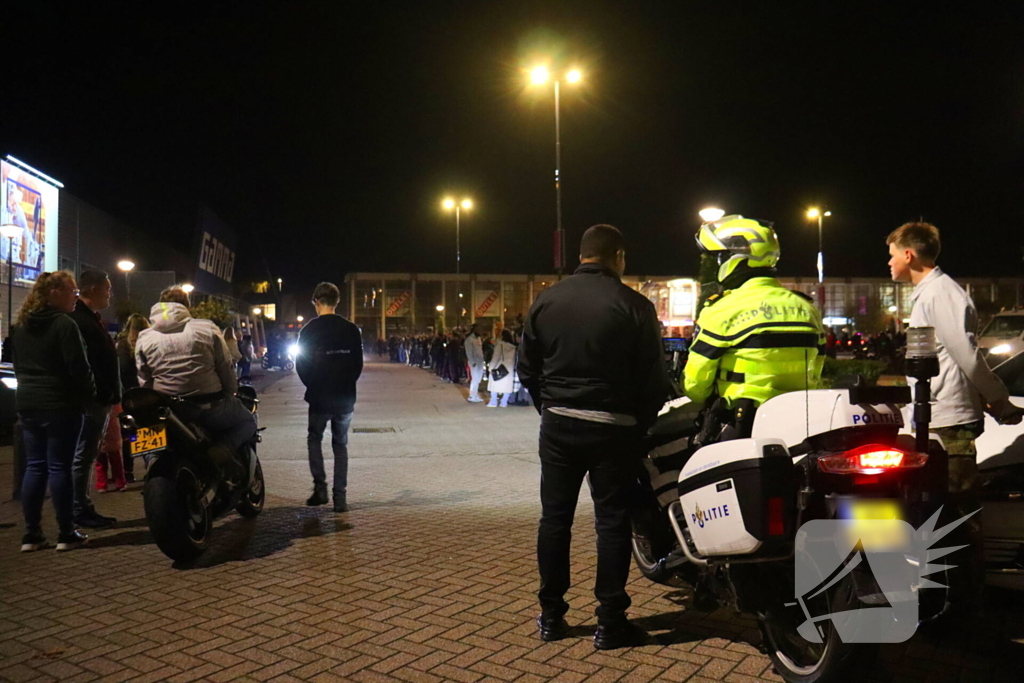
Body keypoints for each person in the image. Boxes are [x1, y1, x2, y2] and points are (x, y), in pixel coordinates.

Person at [519, 224, 670, 650]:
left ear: (581, 256)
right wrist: (637, 422)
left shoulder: (546, 300)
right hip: (614, 428)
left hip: (560, 426)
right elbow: (654, 380)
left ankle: (551, 616)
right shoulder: (634, 306)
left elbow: (527, 368)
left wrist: (549, 407)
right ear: (617, 256)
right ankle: (610, 622)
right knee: (612, 523)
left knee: (555, 520)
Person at [886, 221, 1023, 613]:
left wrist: (998, 399)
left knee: (959, 514)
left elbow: (966, 355)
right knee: (935, 510)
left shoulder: (942, 293)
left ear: (909, 254)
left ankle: (964, 605)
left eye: (893, 253)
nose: (889, 261)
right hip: (935, 416)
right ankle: (941, 598)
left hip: (949, 419)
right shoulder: (927, 294)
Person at [684, 215, 825, 421]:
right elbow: (817, 370)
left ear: (734, 258)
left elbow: (695, 388)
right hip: (801, 421)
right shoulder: (807, 309)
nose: (714, 264)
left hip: (743, 423)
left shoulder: (722, 310)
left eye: (717, 257)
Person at [13, 271, 95, 551]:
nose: (75, 295)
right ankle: (66, 532)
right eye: (71, 291)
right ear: (53, 293)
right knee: (60, 466)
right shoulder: (64, 324)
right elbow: (79, 368)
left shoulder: (21, 325)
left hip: (28, 403)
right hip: (61, 404)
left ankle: (32, 534)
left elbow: (16, 364)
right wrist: (88, 395)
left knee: (35, 466)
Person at [135, 287, 255, 476]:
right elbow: (225, 366)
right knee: (248, 422)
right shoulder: (206, 327)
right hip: (208, 407)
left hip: (168, 410)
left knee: (147, 431)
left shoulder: (144, 336)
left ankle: (152, 459)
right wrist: (229, 392)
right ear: (187, 306)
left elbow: (144, 378)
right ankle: (222, 450)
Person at [296, 282, 363, 512]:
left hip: (319, 396)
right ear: (337, 302)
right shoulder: (351, 329)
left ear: (316, 302)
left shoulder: (309, 330)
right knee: (340, 445)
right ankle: (340, 498)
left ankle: (320, 487)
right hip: (344, 398)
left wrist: (313, 384)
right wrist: (345, 384)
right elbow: (357, 365)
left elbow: (301, 364)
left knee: (314, 438)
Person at [68, 270, 121, 529]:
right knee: (83, 456)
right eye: (106, 288)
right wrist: (98, 393)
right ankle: (79, 509)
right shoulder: (79, 319)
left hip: (100, 397)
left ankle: (81, 506)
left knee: (86, 455)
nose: (110, 292)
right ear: (91, 289)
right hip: (93, 399)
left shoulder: (90, 318)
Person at [116, 313, 149, 483]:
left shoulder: (121, 344)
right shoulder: (149, 341)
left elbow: (120, 370)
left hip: (128, 395)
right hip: (147, 393)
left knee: (128, 434)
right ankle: (151, 466)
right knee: (146, 431)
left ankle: (128, 471)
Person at [486, 329, 518, 408]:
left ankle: (493, 401)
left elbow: (495, 357)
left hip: (499, 367)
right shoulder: (513, 347)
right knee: (507, 386)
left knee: (494, 384)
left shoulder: (500, 345)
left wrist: (491, 368)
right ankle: (504, 402)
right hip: (509, 368)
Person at [465, 324, 485, 402]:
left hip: (480, 362)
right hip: (474, 363)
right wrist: (472, 362)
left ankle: (475, 394)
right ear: (474, 329)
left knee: (478, 379)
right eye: (478, 329)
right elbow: (469, 352)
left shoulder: (478, 339)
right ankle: (472, 396)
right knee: (475, 379)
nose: (480, 331)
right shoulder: (469, 340)